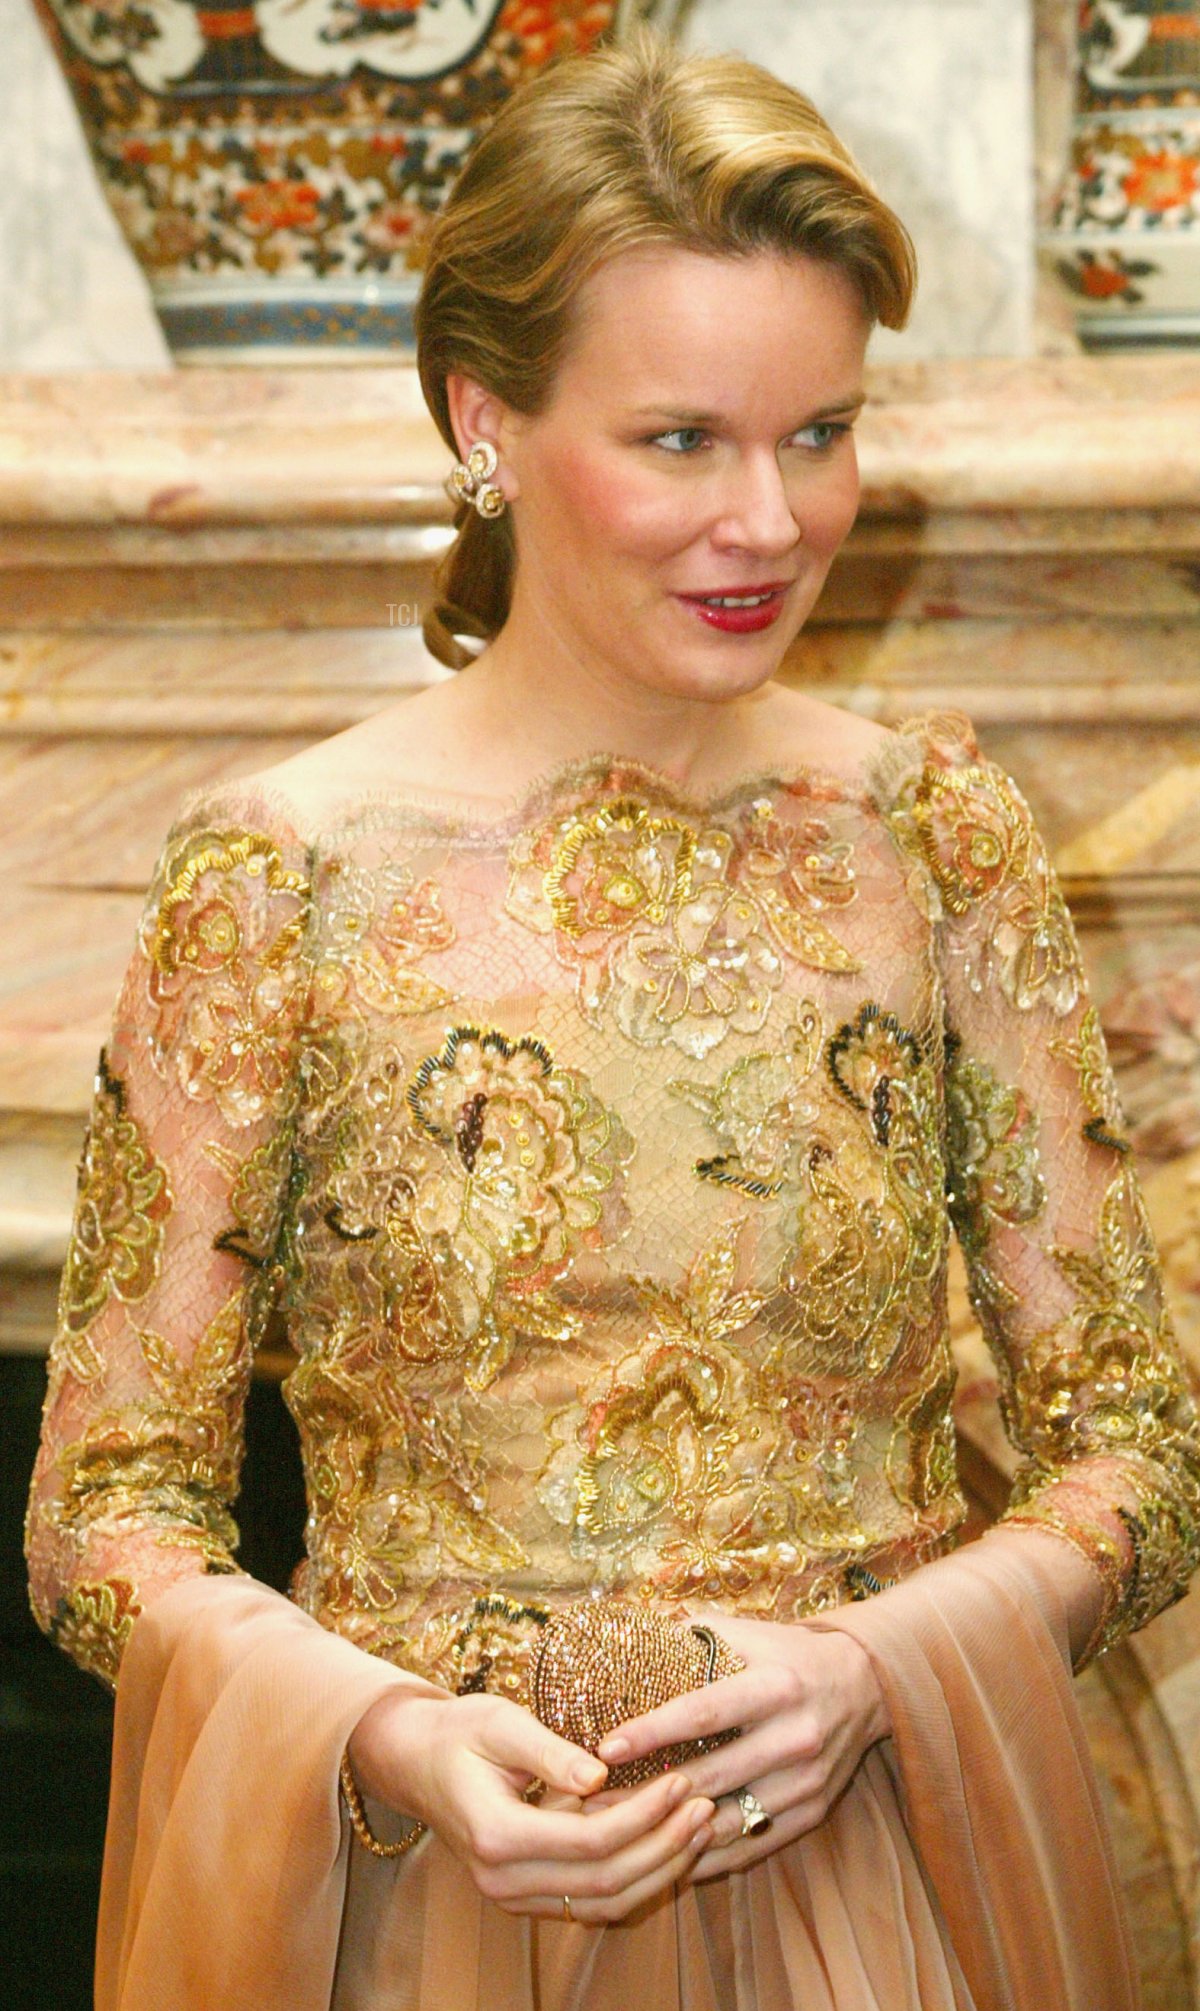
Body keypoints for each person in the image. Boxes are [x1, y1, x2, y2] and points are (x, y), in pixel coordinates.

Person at [26, 30, 1200, 2011]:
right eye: (682, 440)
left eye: (818, 431)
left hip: (882, 1885)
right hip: (438, 1910)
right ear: (486, 417)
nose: (773, 519)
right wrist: (383, 1740)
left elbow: (1145, 1454)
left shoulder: (935, 829)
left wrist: (879, 1671)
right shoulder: (277, 874)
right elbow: (101, 1516)